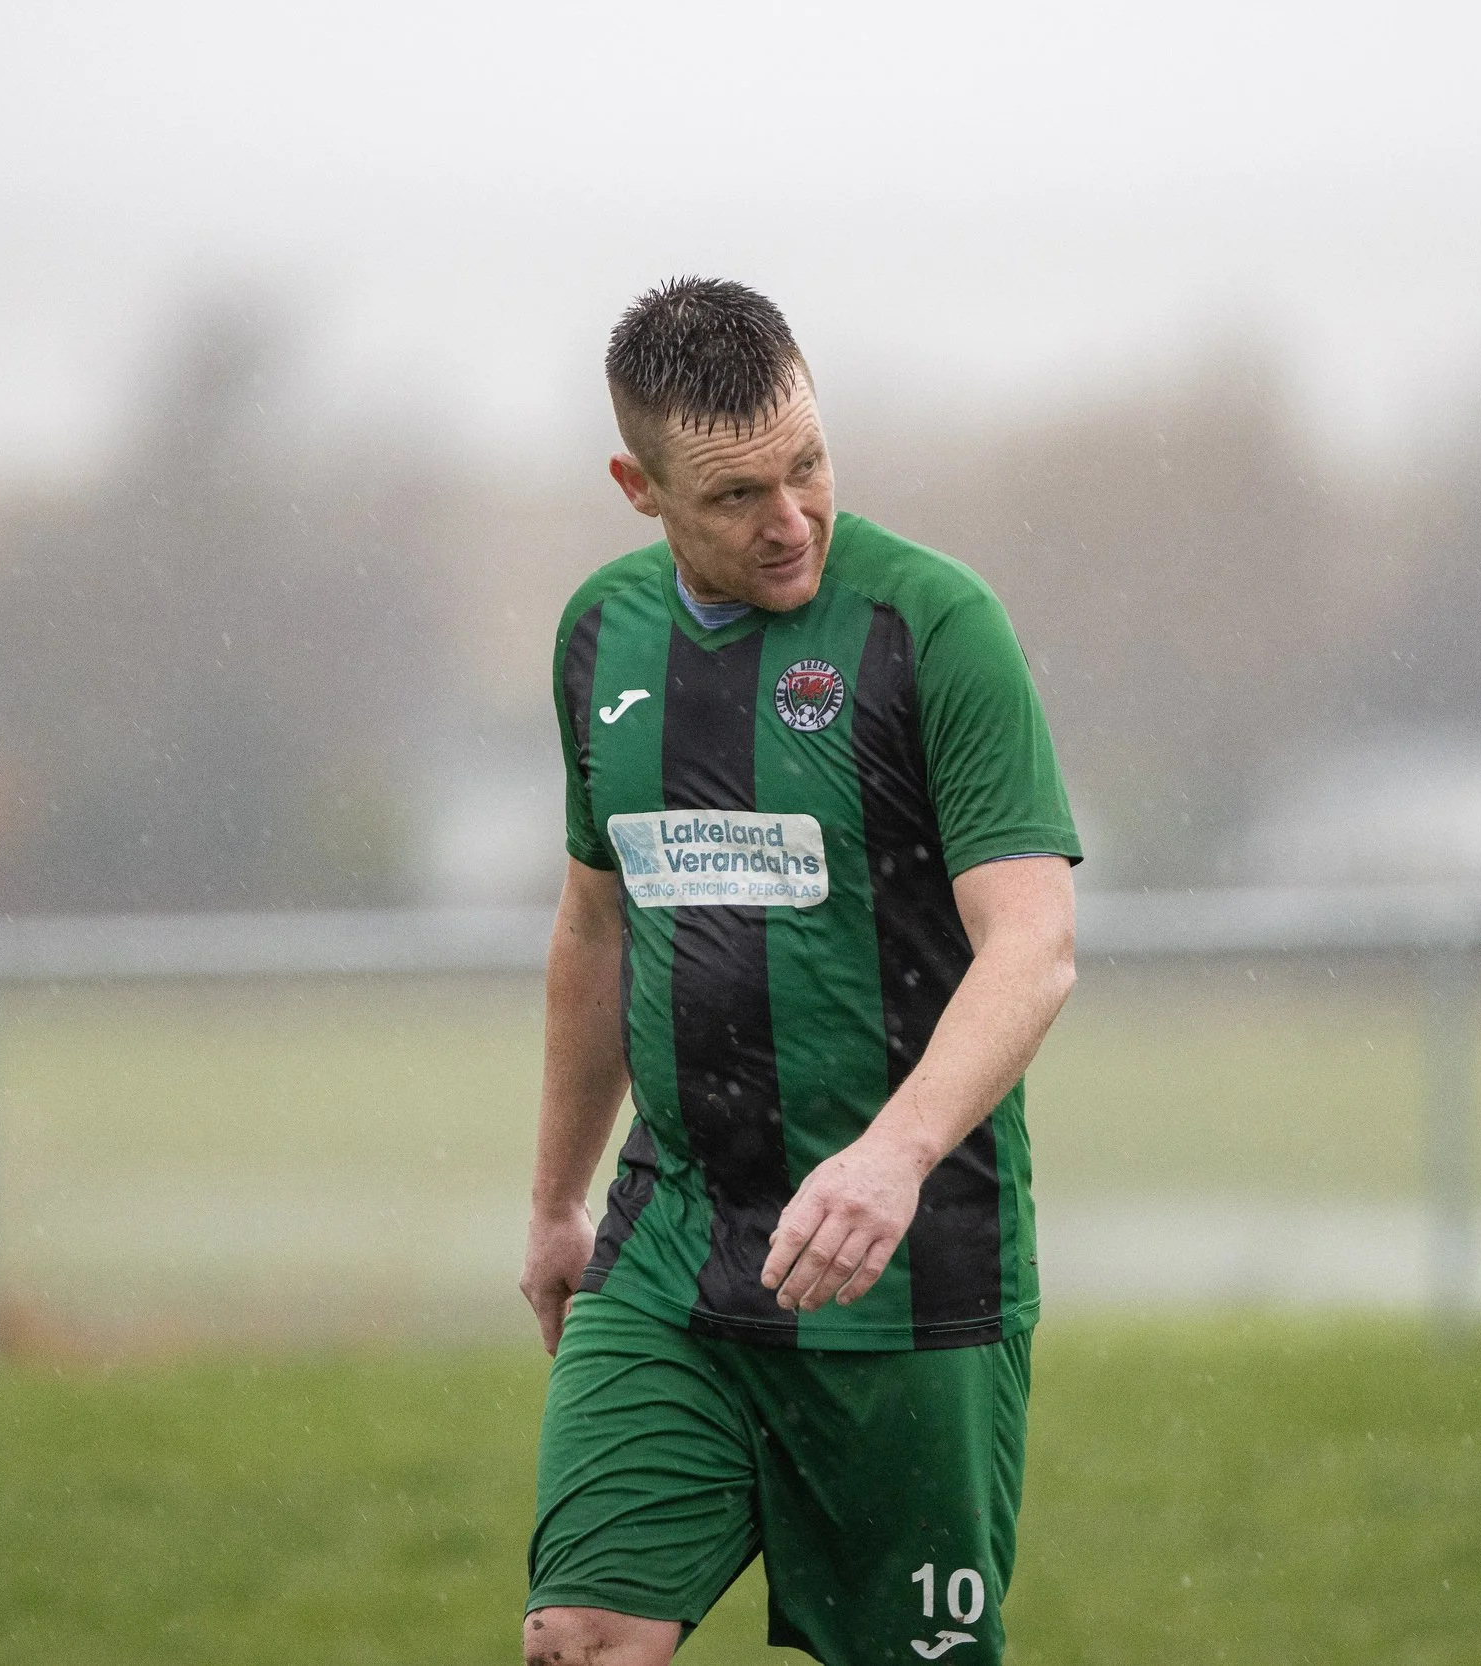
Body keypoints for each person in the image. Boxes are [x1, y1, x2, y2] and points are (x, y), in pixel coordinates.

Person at [520, 277, 1079, 1666]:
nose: (791, 519)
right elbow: (596, 930)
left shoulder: (934, 629)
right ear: (636, 487)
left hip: (910, 1268)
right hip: (671, 1253)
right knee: (578, 1635)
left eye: (809, 464)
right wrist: (552, 1201)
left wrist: (889, 1157)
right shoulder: (600, 639)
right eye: (735, 494)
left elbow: (1036, 944)